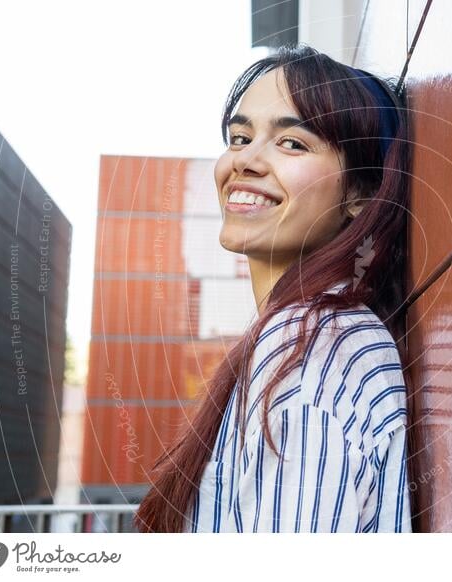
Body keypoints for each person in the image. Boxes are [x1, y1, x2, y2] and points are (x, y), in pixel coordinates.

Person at [134, 44, 413, 533]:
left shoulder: (314, 349)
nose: (246, 161)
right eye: (240, 137)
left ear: (360, 193)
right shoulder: (294, 336)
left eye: (293, 143)